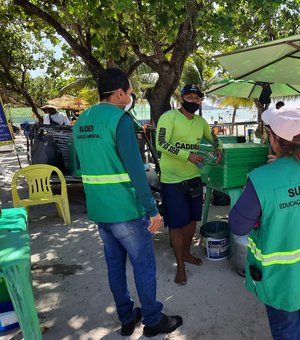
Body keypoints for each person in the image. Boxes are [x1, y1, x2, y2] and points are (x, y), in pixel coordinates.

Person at [73, 68, 182, 337]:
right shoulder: (120, 119)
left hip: (99, 210)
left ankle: (126, 317)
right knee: (143, 265)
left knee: (115, 266)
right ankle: (153, 320)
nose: (131, 98)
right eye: (130, 93)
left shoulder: (80, 120)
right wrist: (152, 210)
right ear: (119, 93)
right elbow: (136, 170)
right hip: (126, 211)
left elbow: (77, 168)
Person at [229, 106, 300, 340]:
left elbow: (238, 225)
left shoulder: (262, 179)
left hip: (283, 283)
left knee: (287, 332)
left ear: (275, 139)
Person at [156, 84, 223, 285]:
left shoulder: (200, 122)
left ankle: (186, 253)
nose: (194, 101)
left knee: (192, 220)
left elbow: (213, 137)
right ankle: (180, 266)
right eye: (190, 97)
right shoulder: (169, 117)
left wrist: (218, 148)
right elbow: (161, 143)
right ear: (182, 98)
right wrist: (188, 155)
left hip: (194, 178)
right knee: (177, 224)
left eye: (197, 98)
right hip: (172, 180)